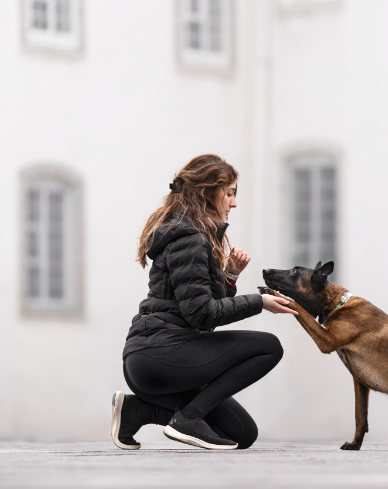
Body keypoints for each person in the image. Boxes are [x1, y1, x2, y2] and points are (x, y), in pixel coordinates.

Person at [111, 154, 297, 451]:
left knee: (241, 434)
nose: (234, 203)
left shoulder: (194, 235)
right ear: (209, 192)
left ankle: (139, 411)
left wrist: (231, 277)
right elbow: (202, 314)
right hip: (160, 355)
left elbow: (201, 305)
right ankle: (189, 418)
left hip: (163, 357)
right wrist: (259, 302)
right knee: (268, 346)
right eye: (230, 193)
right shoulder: (190, 239)